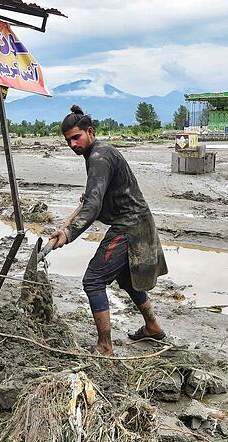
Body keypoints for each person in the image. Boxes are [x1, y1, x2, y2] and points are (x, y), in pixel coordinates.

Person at [49, 105, 168, 356]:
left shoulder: (99, 157)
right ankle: (153, 326)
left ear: (89, 132)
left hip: (129, 226)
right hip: (137, 221)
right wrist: (78, 213)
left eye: (76, 137)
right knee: (127, 278)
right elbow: (93, 197)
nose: (72, 144)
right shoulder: (98, 154)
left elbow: (93, 206)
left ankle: (104, 346)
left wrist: (68, 234)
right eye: (68, 140)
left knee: (93, 281)